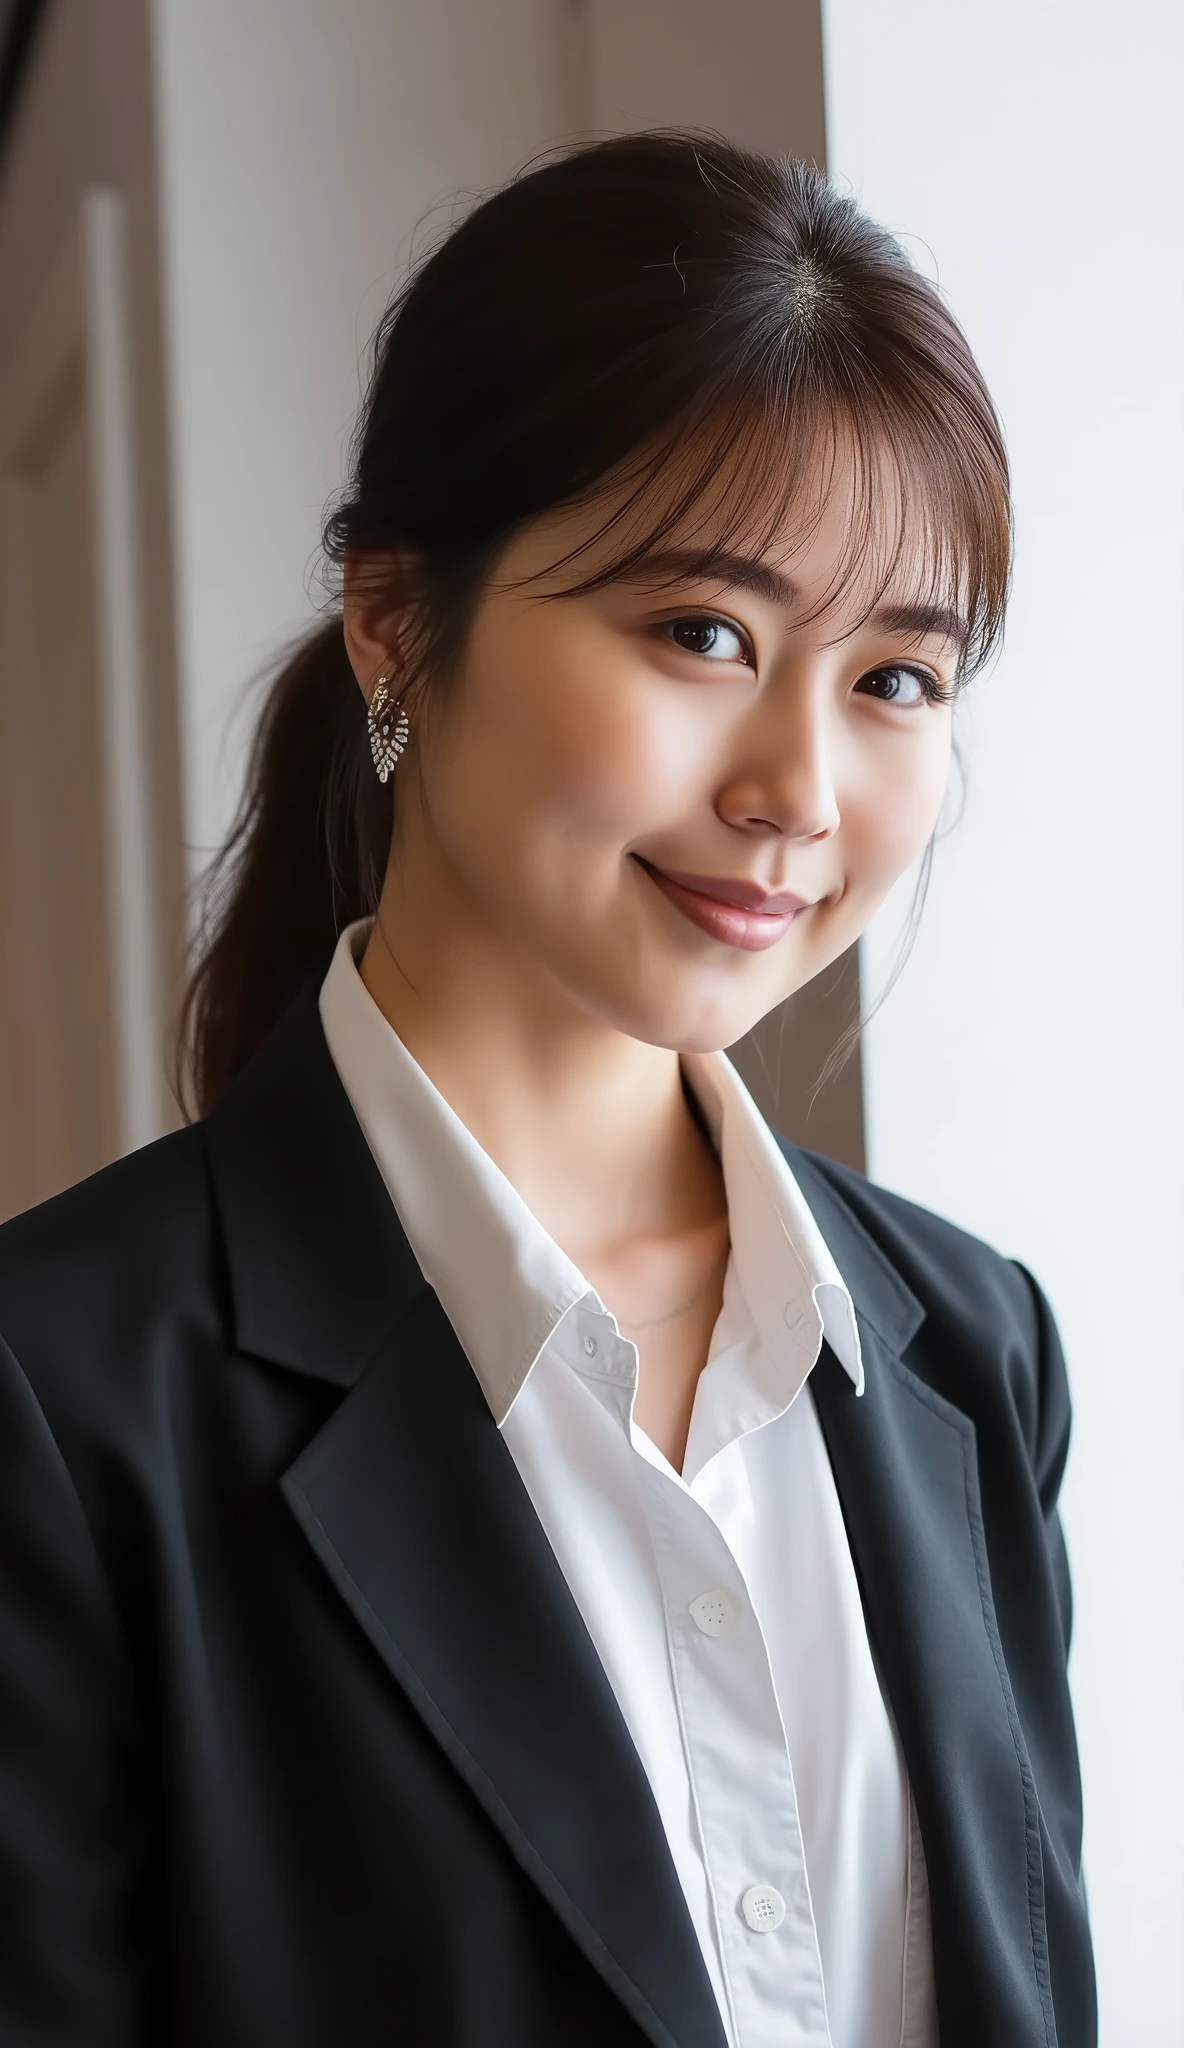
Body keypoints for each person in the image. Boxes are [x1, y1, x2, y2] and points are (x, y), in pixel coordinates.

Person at [0, 132, 1095, 2046]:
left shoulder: (970, 1358)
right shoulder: (61, 1403)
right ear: (396, 623)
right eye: (703, 634)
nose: (801, 792)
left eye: (897, 680)